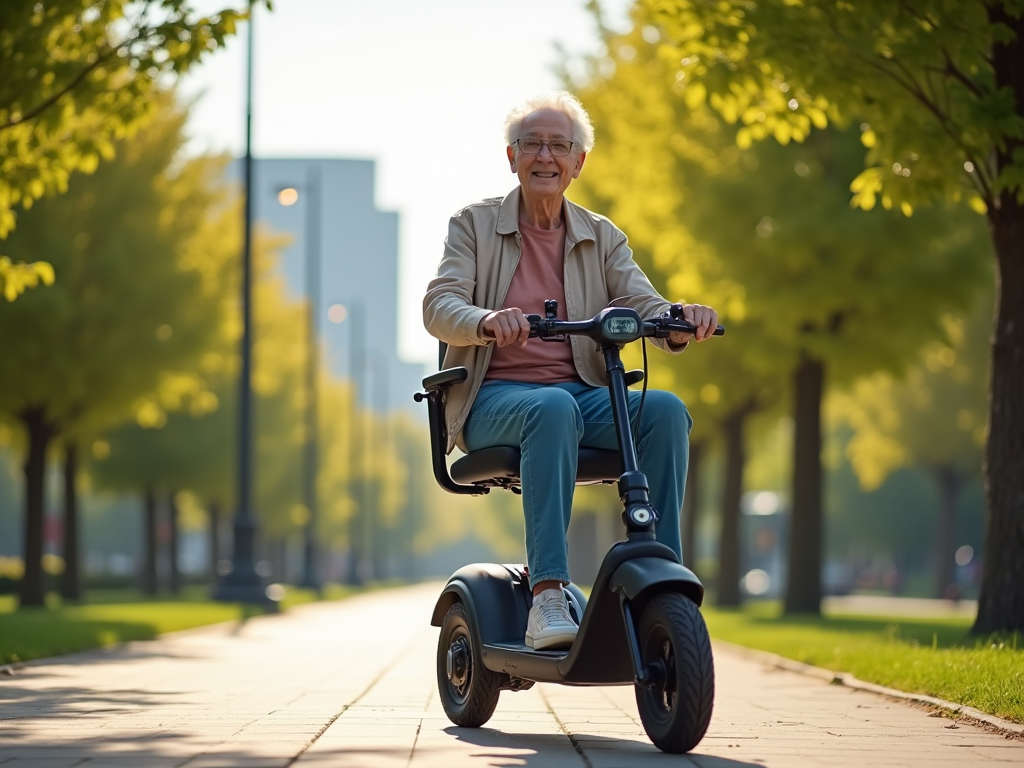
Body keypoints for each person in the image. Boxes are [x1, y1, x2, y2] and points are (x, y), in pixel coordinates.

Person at [423, 92, 719, 650]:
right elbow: (439, 305)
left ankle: (664, 579)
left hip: (581, 395)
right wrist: (487, 321)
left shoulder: (601, 235)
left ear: (578, 162)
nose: (546, 156)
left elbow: (644, 302)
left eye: (560, 145)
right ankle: (548, 594)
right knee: (550, 407)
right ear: (511, 157)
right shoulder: (474, 224)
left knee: (665, 410)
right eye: (532, 143)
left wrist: (680, 319)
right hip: (492, 399)